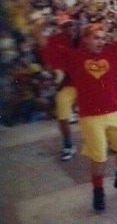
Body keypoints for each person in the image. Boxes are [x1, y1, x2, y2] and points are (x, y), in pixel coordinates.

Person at [45, 5, 117, 211]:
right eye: (97, 37)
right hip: (90, 117)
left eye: (103, 37)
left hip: (114, 112)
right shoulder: (74, 58)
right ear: (86, 39)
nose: (101, 41)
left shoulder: (111, 54)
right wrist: (44, 28)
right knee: (98, 155)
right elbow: (50, 53)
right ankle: (98, 191)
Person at [38, 12, 80, 161]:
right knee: (62, 116)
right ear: (61, 28)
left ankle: (111, 140)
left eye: (71, 24)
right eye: (66, 26)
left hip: (84, 83)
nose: (70, 28)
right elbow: (44, 47)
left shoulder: (81, 39)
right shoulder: (56, 41)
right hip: (66, 85)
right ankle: (68, 145)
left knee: (101, 111)